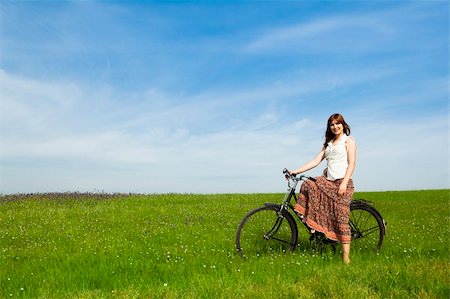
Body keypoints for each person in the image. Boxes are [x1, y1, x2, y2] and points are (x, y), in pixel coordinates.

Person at [289, 113, 356, 264]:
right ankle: (314, 224)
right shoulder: (329, 144)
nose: (335, 127)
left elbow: (352, 164)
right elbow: (316, 161)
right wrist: (297, 171)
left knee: (341, 219)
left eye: (337, 124)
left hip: (342, 182)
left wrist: (344, 183)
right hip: (329, 182)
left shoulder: (348, 141)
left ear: (343, 125)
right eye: (332, 124)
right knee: (308, 184)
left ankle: (346, 257)